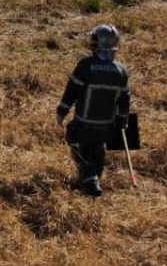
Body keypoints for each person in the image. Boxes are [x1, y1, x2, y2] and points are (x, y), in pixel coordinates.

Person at [56, 24, 132, 197]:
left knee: (76, 144)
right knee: (98, 150)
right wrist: (123, 119)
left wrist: (62, 111)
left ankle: (91, 181)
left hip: (84, 122)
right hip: (107, 125)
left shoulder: (86, 66)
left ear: (98, 43)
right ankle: (94, 181)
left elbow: (72, 91)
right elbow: (125, 99)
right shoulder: (121, 71)